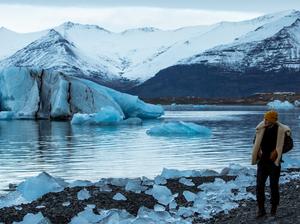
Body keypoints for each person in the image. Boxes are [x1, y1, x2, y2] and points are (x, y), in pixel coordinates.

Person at [251, 110, 291, 218]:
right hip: (262, 162)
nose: (265, 121)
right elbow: (255, 141)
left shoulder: (282, 130)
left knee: (273, 186)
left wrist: (278, 151)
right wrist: (257, 149)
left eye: (267, 119)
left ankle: (273, 209)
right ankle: (261, 210)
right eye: (265, 119)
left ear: (272, 120)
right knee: (259, 185)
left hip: (274, 163)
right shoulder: (261, 128)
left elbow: (290, 145)